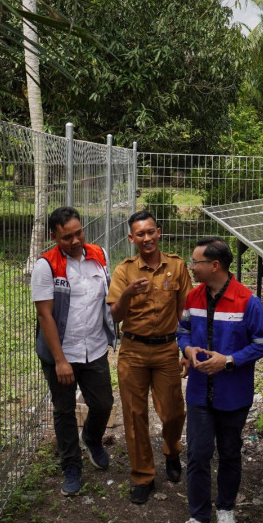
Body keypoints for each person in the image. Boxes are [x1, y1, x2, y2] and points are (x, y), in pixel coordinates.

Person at [178, 237, 263, 523]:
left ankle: (225, 507)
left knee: (230, 451)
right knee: (197, 454)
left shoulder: (247, 301)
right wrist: (187, 348)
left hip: (233, 395)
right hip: (198, 393)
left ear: (214, 266)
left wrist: (228, 360)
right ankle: (199, 515)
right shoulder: (193, 298)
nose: (191, 267)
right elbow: (181, 331)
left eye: (196, 262)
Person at [107, 210, 192, 504]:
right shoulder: (124, 271)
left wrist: (187, 349)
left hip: (168, 349)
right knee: (134, 415)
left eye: (150, 232)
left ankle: (171, 451)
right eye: (140, 234)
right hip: (133, 350)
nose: (146, 238)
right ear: (132, 238)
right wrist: (128, 293)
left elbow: (185, 311)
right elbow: (114, 316)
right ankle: (143, 475)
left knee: (172, 411)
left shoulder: (178, 266)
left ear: (159, 233)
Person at [31, 206, 117, 497]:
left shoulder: (99, 255)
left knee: (103, 403)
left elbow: (108, 297)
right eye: (67, 237)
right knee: (64, 410)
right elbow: (45, 316)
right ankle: (71, 465)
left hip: (94, 349)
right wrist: (60, 360)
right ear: (54, 236)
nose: (76, 240)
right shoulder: (47, 266)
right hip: (61, 354)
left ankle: (92, 438)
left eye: (79, 232)